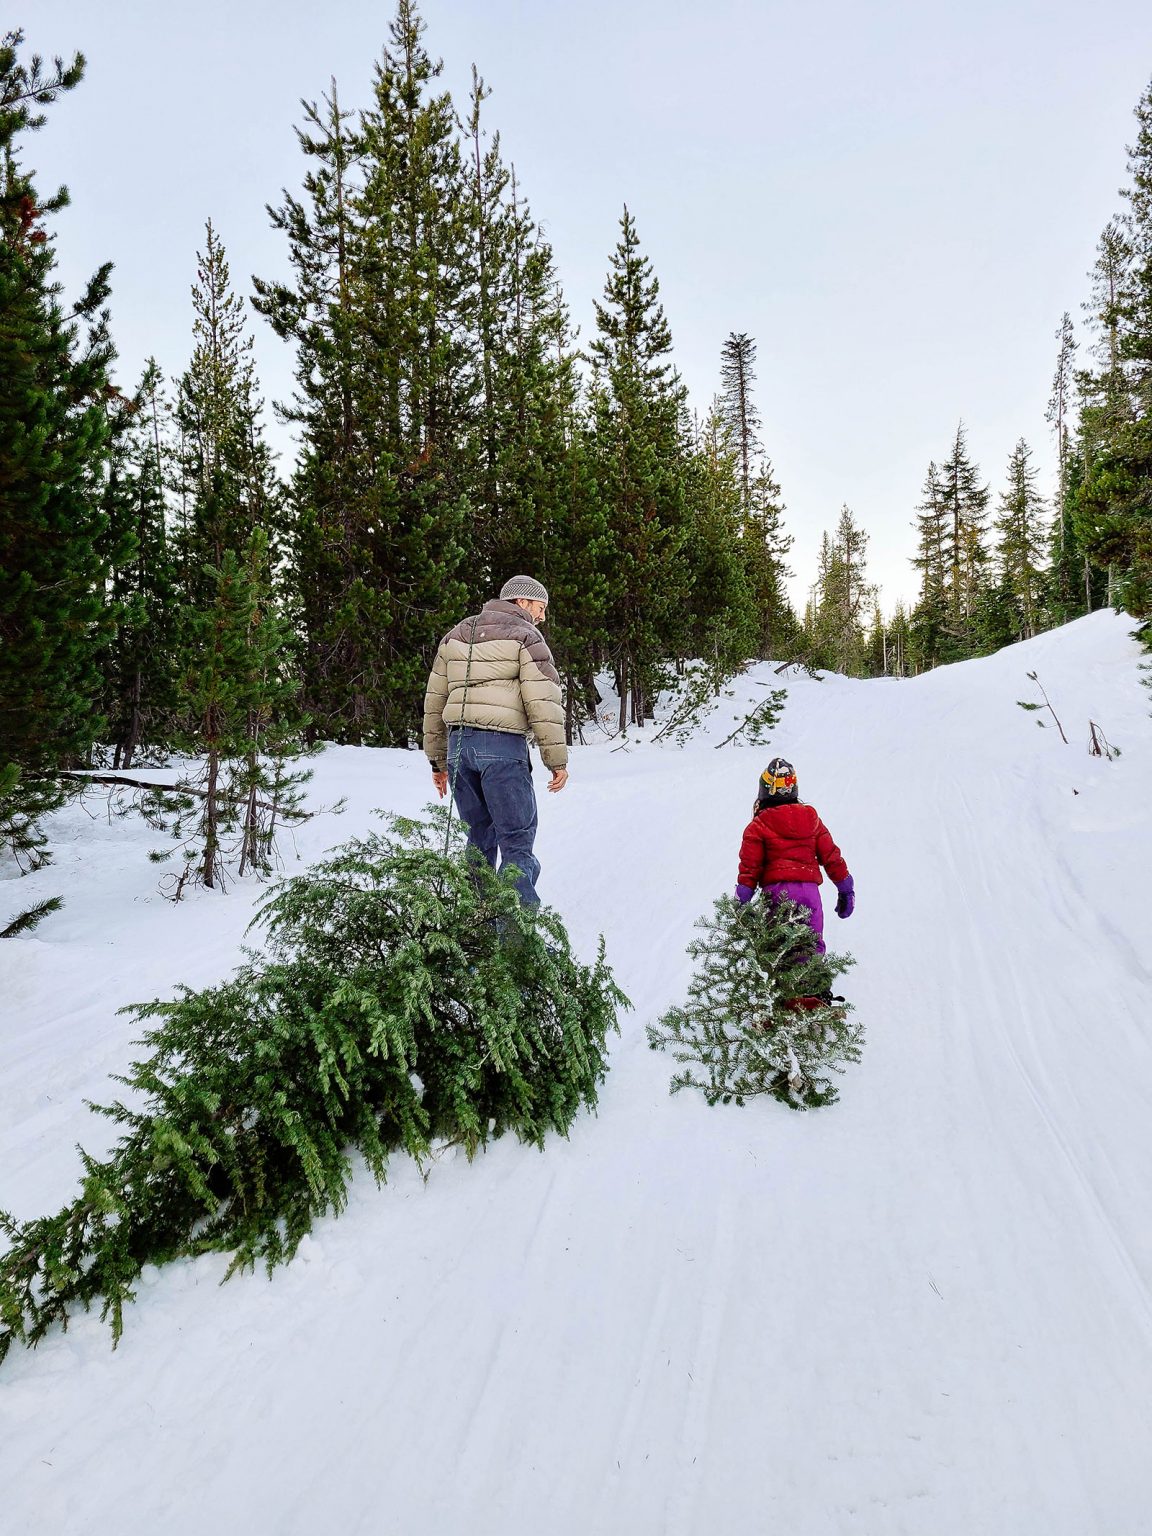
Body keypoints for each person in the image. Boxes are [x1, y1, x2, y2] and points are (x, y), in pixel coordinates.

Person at [422, 575, 568, 906]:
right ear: (523, 602)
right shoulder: (527, 637)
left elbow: (434, 701)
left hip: (459, 749)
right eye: (540, 608)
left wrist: (438, 761)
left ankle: (477, 931)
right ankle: (516, 943)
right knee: (516, 843)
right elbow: (543, 702)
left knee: (477, 840)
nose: (542, 617)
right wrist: (556, 761)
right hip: (502, 749)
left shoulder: (455, 635)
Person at [733, 756, 854, 955]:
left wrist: (741, 900)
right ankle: (816, 984)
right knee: (811, 948)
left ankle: (781, 984)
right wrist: (846, 889)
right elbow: (831, 856)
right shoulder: (811, 818)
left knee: (780, 952)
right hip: (809, 893)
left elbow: (750, 868)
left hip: (777, 894)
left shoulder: (757, 826)